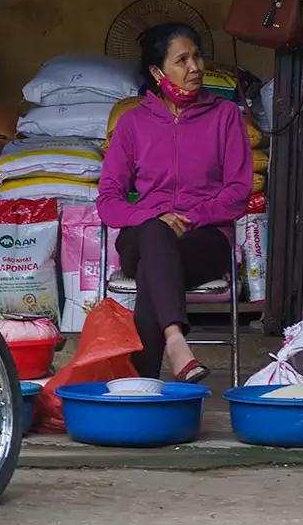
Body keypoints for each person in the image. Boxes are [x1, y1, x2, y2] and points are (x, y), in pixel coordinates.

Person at [97, 23, 253, 382]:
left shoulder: (226, 117)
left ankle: (145, 379)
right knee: (154, 233)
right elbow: (108, 201)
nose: (195, 67)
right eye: (182, 60)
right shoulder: (132, 123)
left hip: (203, 241)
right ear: (157, 72)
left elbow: (237, 191)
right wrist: (157, 215)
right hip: (143, 236)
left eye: (196, 56)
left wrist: (193, 216)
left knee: (156, 267)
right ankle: (175, 340)